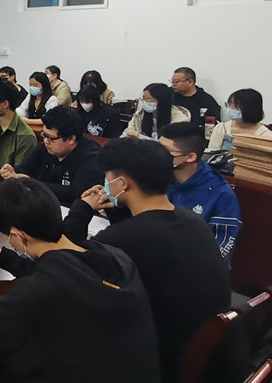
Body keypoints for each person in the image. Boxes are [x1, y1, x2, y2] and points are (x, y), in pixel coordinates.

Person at [0, 178, 160, 383]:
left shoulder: (40, 290)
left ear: (18, 236)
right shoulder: (115, 256)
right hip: (131, 371)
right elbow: (65, 273)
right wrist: (7, 259)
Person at [63, 138, 230, 380]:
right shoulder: (192, 221)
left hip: (162, 360)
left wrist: (82, 208)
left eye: (107, 176)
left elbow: (65, 264)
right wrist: (118, 211)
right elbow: (142, 240)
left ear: (122, 183)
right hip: (207, 352)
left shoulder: (123, 238)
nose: (105, 182)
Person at [160, 122, 242, 268]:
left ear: (190, 157)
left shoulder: (221, 194)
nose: (156, 155)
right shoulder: (157, 176)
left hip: (192, 270)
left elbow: (221, 250)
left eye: (165, 151)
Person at [0, 106, 103, 202]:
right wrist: (12, 173)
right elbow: (24, 169)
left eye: (50, 138)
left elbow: (75, 192)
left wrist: (31, 183)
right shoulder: (43, 148)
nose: (45, 141)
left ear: (71, 139)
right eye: (44, 135)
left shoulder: (92, 156)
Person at [208, 88, 272, 150]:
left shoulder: (266, 136)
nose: (230, 109)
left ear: (251, 109)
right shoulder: (221, 128)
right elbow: (211, 154)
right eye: (229, 105)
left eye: (237, 107)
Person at [123, 83, 190, 139]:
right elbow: (127, 133)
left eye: (148, 100)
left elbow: (173, 144)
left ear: (162, 101)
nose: (145, 102)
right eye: (143, 98)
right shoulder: (139, 115)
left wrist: (140, 138)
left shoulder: (180, 120)